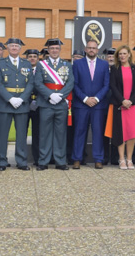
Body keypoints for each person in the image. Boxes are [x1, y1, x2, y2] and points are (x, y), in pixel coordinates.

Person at [0, 37, 34, 171]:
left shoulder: (26, 63)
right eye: (12, 46)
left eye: (17, 46)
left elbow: (30, 83)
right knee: (3, 134)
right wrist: (10, 99)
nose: (14, 48)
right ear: (8, 48)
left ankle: (21, 161)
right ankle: (1, 161)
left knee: (21, 135)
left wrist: (22, 99)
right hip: (6, 104)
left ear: (20, 49)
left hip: (22, 104)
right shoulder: (0, 64)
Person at [34, 38, 74, 170]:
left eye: (57, 48)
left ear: (60, 50)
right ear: (48, 50)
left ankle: (60, 161)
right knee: (44, 133)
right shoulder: (41, 65)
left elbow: (70, 83)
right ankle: (43, 161)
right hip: (46, 103)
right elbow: (38, 83)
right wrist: (50, 95)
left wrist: (60, 96)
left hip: (61, 104)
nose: (54, 51)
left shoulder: (66, 64)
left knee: (60, 133)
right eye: (52, 49)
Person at [71, 39, 110, 169]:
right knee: (79, 132)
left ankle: (98, 159)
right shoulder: (77, 64)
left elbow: (106, 85)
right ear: (86, 49)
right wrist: (85, 99)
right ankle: (77, 159)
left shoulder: (104, 65)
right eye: (89, 48)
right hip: (81, 104)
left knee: (98, 132)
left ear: (97, 50)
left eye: (94, 48)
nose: (92, 50)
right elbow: (74, 84)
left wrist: (97, 99)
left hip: (98, 106)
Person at [107, 45, 135, 169]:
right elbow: (113, 86)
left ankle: (129, 159)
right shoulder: (115, 68)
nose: (122, 56)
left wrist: (130, 101)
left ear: (129, 54)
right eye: (120, 54)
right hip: (119, 104)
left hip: (133, 105)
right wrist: (123, 100)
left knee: (132, 133)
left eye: (124, 53)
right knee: (120, 132)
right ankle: (121, 159)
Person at [24, 48, 42, 164]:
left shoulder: (41, 70)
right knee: (22, 134)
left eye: (34, 57)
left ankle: (37, 159)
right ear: (27, 58)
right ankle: (22, 159)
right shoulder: (22, 70)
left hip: (38, 105)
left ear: (37, 58)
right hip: (24, 104)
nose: (32, 58)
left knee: (37, 134)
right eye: (30, 56)